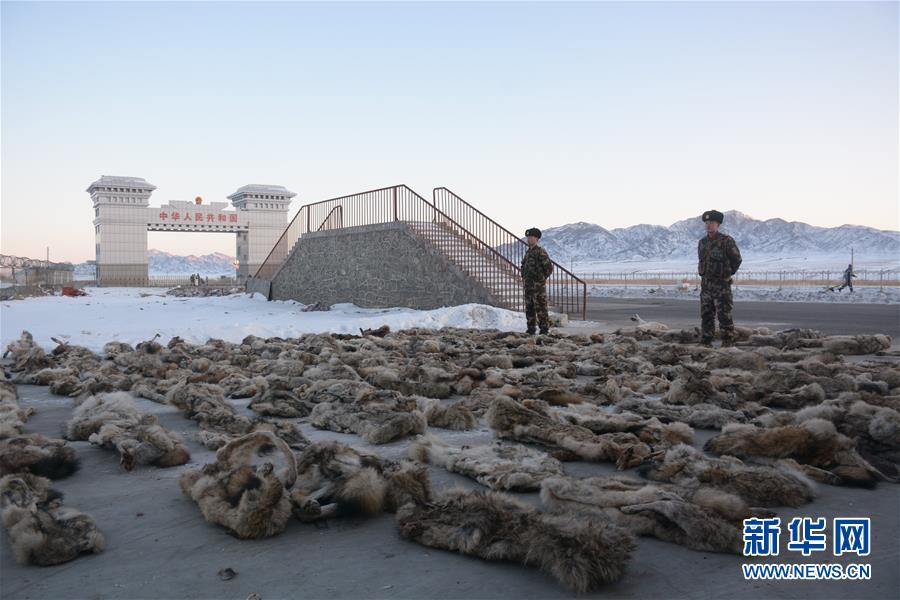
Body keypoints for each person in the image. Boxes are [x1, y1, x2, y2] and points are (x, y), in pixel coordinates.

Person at [697, 210, 742, 347]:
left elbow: (737, 260)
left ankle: (728, 343)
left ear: (718, 224)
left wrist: (726, 274)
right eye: (707, 223)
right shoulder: (702, 243)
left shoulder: (726, 241)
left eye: (712, 223)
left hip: (721, 287)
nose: (708, 225)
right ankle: (706, 341)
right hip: (706, 287)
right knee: (706, 316)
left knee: (724, 316)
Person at [521, 227, 554, 335]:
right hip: (528, 286)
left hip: (538, 287)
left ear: (536, 239)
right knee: (529, 308)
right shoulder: (528, 253)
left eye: (531, 237)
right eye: (528, 237)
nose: (528, 239)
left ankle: (544, 329)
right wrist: (524, 277)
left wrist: (541, 279)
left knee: (541, 308)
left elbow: (549, 268)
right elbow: (524, 267)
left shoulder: (540, 252)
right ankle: (531, 329)